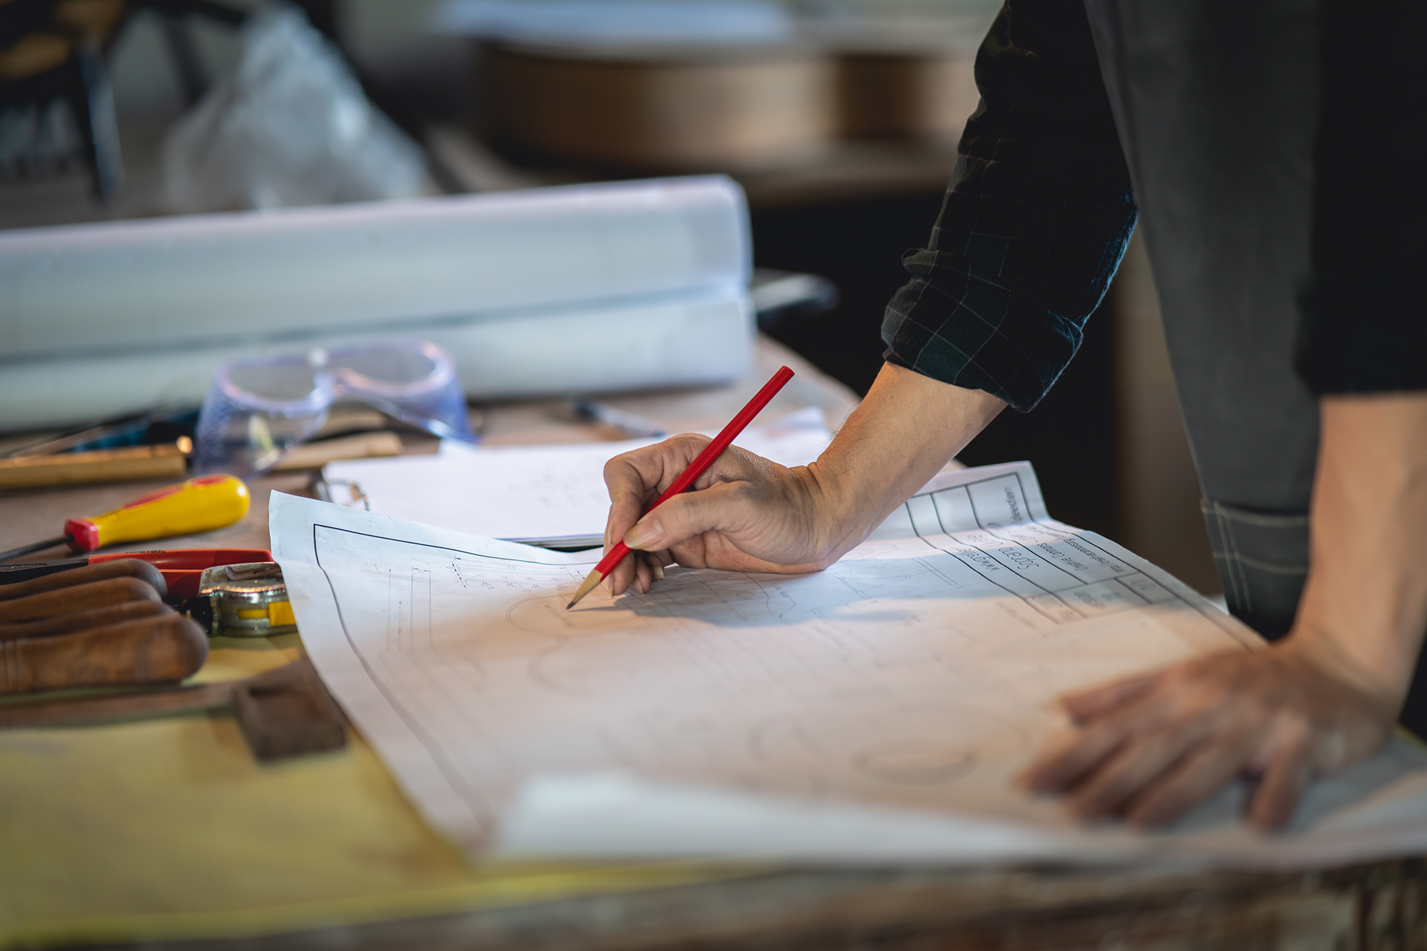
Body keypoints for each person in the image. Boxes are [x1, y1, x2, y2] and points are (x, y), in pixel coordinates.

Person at [600, 0, 1426, 829]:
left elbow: (1401, 192)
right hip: (1312, 569)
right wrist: (829, 496)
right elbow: (1044, 157)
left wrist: (1349, 650)